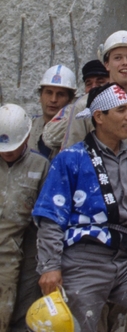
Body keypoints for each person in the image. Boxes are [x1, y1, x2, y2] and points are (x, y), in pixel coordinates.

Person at [31, 84, 127, 332]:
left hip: (126, 261)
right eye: (121, 110)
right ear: (99, 117)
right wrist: (50, 266)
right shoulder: (71, 158)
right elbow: (51, 216)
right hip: (84, 260)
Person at [42, 32, 127, 156]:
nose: (125, 62)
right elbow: (70, 156)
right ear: (107, 64)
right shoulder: (84, 105)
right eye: (118, 58)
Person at [0, 104, 49, 332]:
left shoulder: (40, 166)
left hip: (11, 253)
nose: (7, 152)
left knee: (5, 312)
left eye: (13, 147)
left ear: (27, 136)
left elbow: (44, 220)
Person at [29, 65, 77, 152]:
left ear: (70, 100)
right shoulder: (28, 127)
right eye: (49, 93)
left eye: (60, 94)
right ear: (40, 96)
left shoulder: (75, 130)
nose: (53, 99)